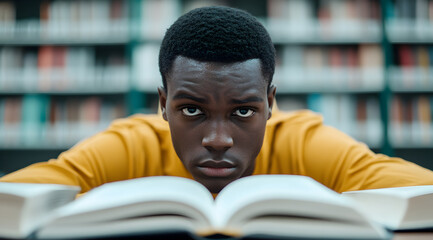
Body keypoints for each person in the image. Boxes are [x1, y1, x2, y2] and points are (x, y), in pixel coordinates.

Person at [1, 6, 433, 194]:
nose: (218, 140)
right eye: (191, 110)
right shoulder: (129, 147)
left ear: (271, 103)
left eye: (243, 111)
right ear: (162, 103)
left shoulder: (305, 145)